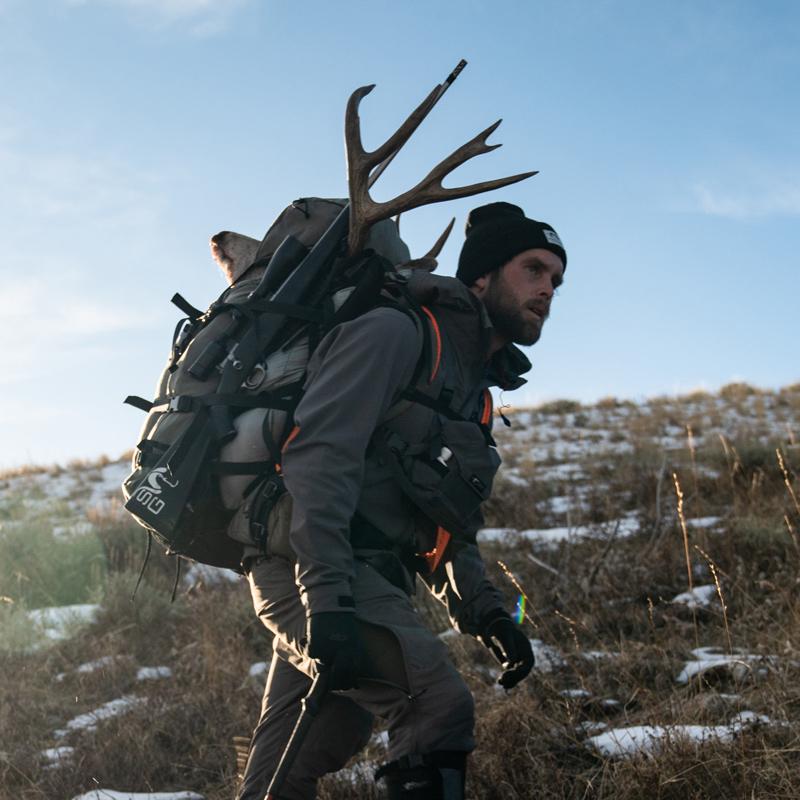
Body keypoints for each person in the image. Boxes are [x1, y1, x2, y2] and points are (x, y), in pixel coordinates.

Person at [236, 201, 567, 800]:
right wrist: (329, 599)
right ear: (482, 277)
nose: (548, 289)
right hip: (310, 568)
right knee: (435, 704)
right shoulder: (396, 333)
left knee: (306, 749)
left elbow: (439, 523)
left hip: (354, 578)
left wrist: (488, 612)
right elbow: (318, 458)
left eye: (556, 280)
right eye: (534, 269)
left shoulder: (468, 389)